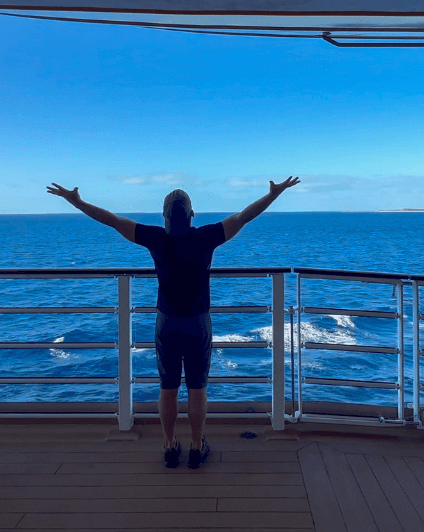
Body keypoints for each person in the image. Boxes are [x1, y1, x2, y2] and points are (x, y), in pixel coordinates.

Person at [47, 176, 300, 468]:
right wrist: (274, 195)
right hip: (197, 323)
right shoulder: (206, 236)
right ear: (192, 215)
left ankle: (169, 446)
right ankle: (195, 446)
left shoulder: (155, 237)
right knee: (197, 387)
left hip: (166, 322)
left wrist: (76, 201)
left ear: (164, 215)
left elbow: (112, 220)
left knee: (167, 387)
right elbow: (245, 217)